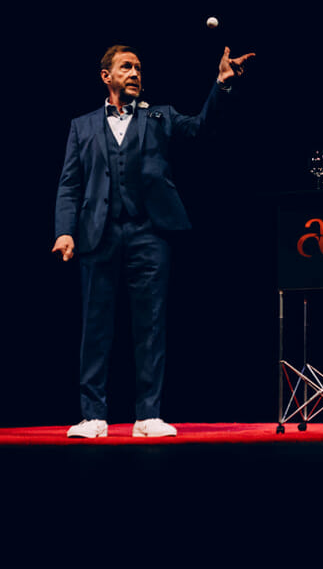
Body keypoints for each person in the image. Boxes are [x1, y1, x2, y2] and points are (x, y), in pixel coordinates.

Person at [52, 44, 255, 438]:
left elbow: (200, 127)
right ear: (105, 76)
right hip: (98, 234)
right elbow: (69, 184)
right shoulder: (82, 125)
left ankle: (148, 415)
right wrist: (64, 230)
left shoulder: (159, 115)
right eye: (126, 67)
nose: (134, 73)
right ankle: (92, 416)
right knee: (95, 328)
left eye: (139, 68)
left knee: (150, 325)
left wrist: (222, 85)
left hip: (149, 233)